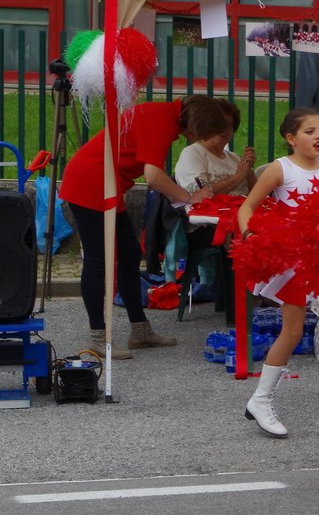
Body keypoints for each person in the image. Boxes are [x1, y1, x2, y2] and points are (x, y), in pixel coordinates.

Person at [59, 95, 229, 358]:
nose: (199, 141)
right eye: (203, 134)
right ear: (196, 124)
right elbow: (153, 176)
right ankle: (98, 338)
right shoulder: (161, 121)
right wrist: (187, 196)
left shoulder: (163, 116)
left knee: (129, 255)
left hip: (107, 184)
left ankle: (140, 330)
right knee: (98, 262)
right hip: (91, 184)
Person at [236, 107, 319, 436]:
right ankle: (261, 400)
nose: (318, 136)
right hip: (294, 258)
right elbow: (247, 206)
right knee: (291, 332)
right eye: (309, 131)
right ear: (291, 138)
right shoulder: (280, 169)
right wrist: (251, 236)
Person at [173, 102, 254, 197]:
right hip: (211, 211)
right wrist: (238, 177)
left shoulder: (234, 158)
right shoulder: (193, 153)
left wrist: (249, 171)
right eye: (218, 124)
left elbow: (258, 194)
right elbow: (200, 194)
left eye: (228, 125)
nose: (223, 129)